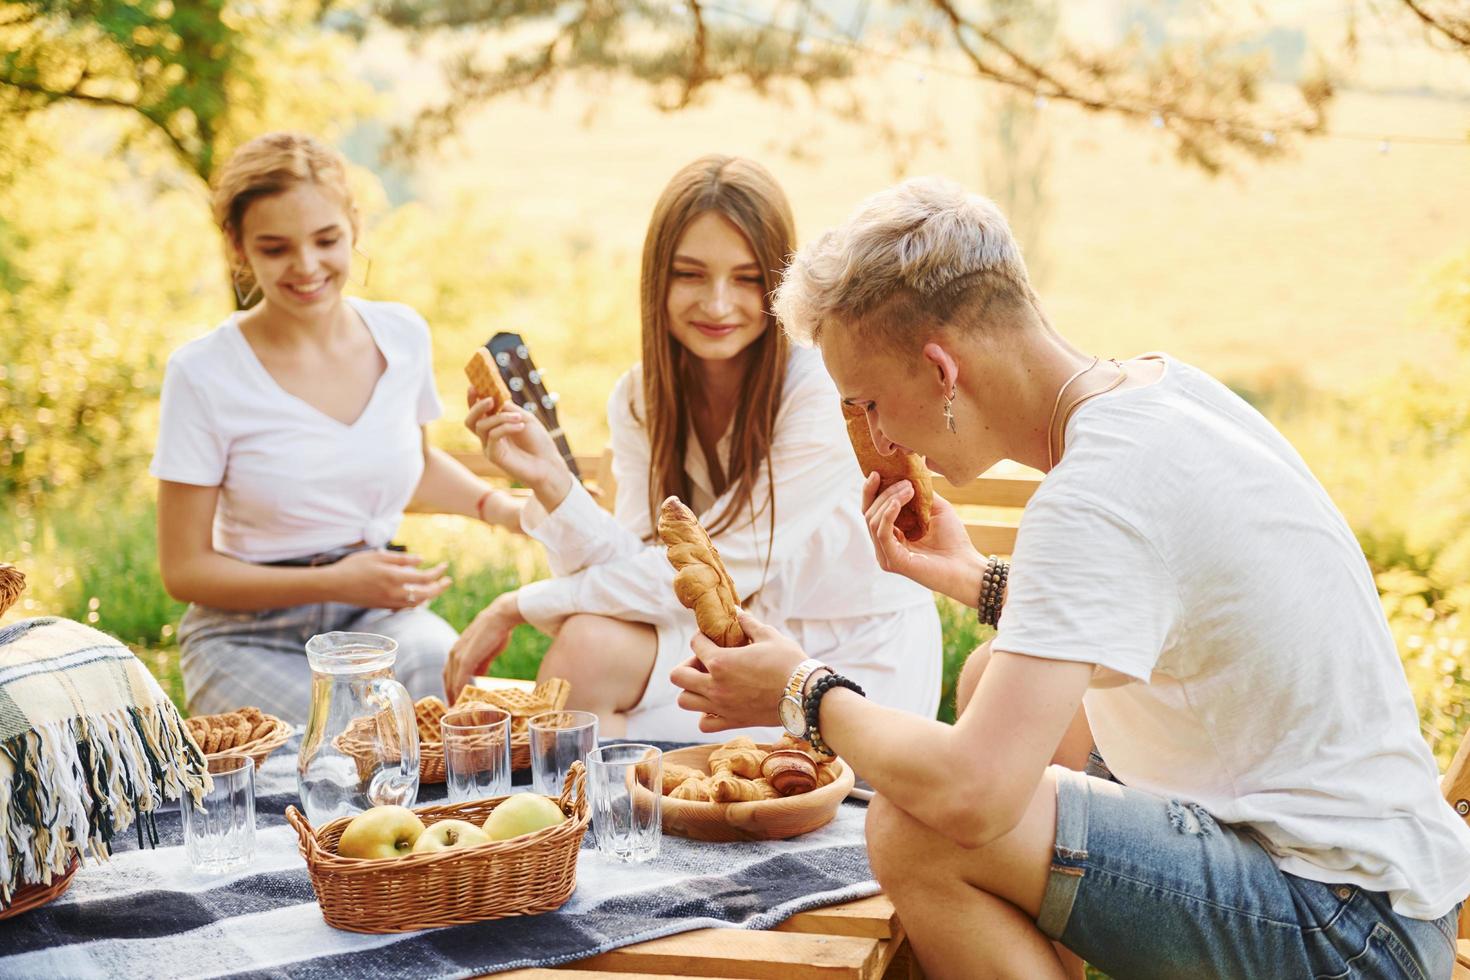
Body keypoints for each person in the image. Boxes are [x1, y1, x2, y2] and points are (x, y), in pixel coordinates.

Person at [670, 176, 1470, 978]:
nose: (873, 433)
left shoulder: (1094, 492)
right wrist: (976, 580)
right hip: (1387, 892)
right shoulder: (1161, 396)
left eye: (870, 402)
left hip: (1350, 934)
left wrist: (802, 691)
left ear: (942, 370)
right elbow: (1163, 614)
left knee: (922, 829)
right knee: (993, 678)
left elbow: (974, 795)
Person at [445, 154, 942, 739]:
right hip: (738, 643)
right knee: (588, 651)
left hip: (851, 664)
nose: (717, 303)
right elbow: (634, 573)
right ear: (659, 278)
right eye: (690, 274)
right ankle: (609, 826)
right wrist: (550, 481)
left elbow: (727, 567)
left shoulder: (820, 390)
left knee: (586, 669)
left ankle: (642, 814)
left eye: (747, 277)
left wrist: (519, 604)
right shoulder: (640, 397)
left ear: (779, 283)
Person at [152, 132, 521, 724]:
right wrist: (337, 581)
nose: (307, 267)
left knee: (437, 683)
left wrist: (503, 509)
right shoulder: (202, 373)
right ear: (237, 248)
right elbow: (184, 569)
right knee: (343, 740)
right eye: (275, 248)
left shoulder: (402, 336)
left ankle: (444, 820)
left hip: (373, 618)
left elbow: (416, 465)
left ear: (354, 227)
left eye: (326, 240)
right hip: (246, 636)